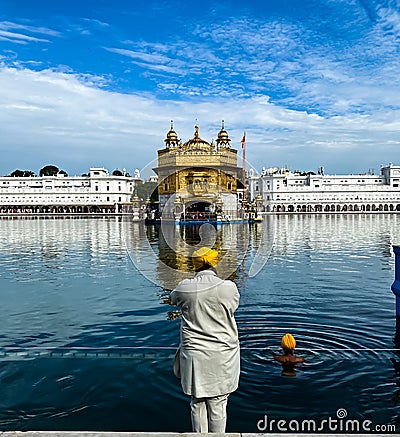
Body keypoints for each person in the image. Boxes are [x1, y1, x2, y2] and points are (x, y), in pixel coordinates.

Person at [170, 247, 240, 433]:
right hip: (223, 355)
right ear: (215, 263)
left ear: (195, 265)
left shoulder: (185, 287)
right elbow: (233, 307)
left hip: (195, 355)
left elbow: (173, 299)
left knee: (197, 402)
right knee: (218, 404)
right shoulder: (229, 288)